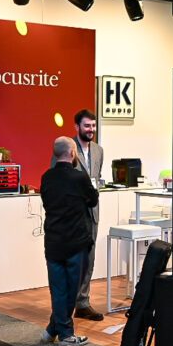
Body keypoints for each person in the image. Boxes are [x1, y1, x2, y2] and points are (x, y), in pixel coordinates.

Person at [40, 136, 99, 346]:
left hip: (53, 241)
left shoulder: (46, 177)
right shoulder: (79, 177)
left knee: (58, 289)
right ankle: (66, 335)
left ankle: (52, 330)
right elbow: (93, 199)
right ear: (73, 153)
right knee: (71, 291)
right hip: (75, 242)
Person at [52, 109, 104, 321]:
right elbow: (57, 177)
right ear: (77, 127)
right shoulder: (66, 148)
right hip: (72, 214)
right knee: (72, 260)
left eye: (93, 125)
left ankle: (83, 302)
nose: (91, 129)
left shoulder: (99, 150)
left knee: (89, 259)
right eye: (87, 126)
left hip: (92, 211)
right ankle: (66, 305)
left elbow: (96, 178)